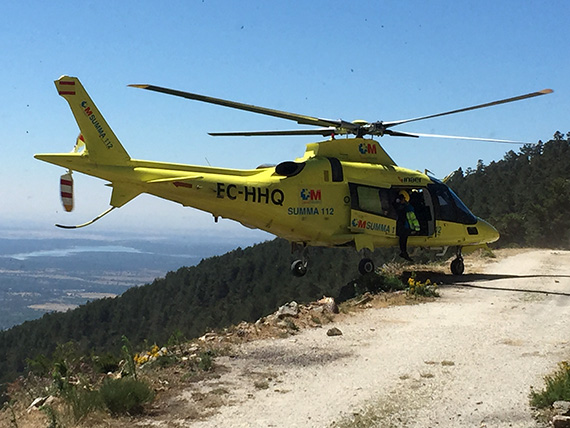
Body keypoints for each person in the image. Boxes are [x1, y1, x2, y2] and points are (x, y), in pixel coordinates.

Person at [393, 190, 420, 262]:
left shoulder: (407, 208)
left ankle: (404, 252)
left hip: (405, 226)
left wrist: (416, 229)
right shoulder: (403, 207)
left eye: (401, 198)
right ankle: (404, 252)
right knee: (403, 237)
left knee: (403, 237)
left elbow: (412, 219)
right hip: (403, 226)